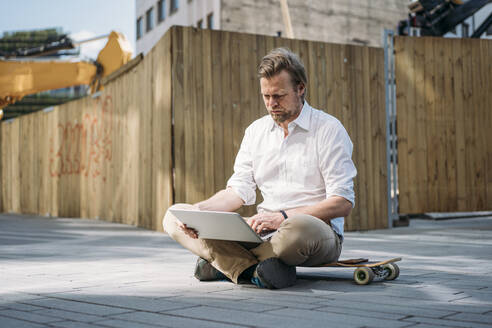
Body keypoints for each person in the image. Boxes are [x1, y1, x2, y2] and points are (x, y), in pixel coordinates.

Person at [163, 47, 357, 289]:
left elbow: (343, 202)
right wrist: (198, 210)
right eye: (266, 96)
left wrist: (283, 217)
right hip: (261, 232)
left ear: (301, 88)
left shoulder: (329, 129)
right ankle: (255, 271)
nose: (271, 104)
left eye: (279, 96)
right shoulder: (256, 131)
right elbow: (237, 192)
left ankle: (224, 263)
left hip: (312, 231)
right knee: (174, 216)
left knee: (296, 230)